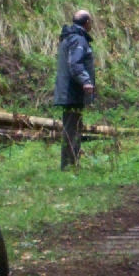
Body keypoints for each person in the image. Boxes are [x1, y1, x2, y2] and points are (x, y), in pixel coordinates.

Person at [53, 9, 95, 170]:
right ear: (87, 23)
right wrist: (86, 81)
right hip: (72, 92)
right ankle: (70, 165)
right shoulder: (79, 40)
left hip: (69, 92)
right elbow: (75, 64)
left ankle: (69, 164)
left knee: (71, 127)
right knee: (72, 129)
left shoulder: (69, 38)